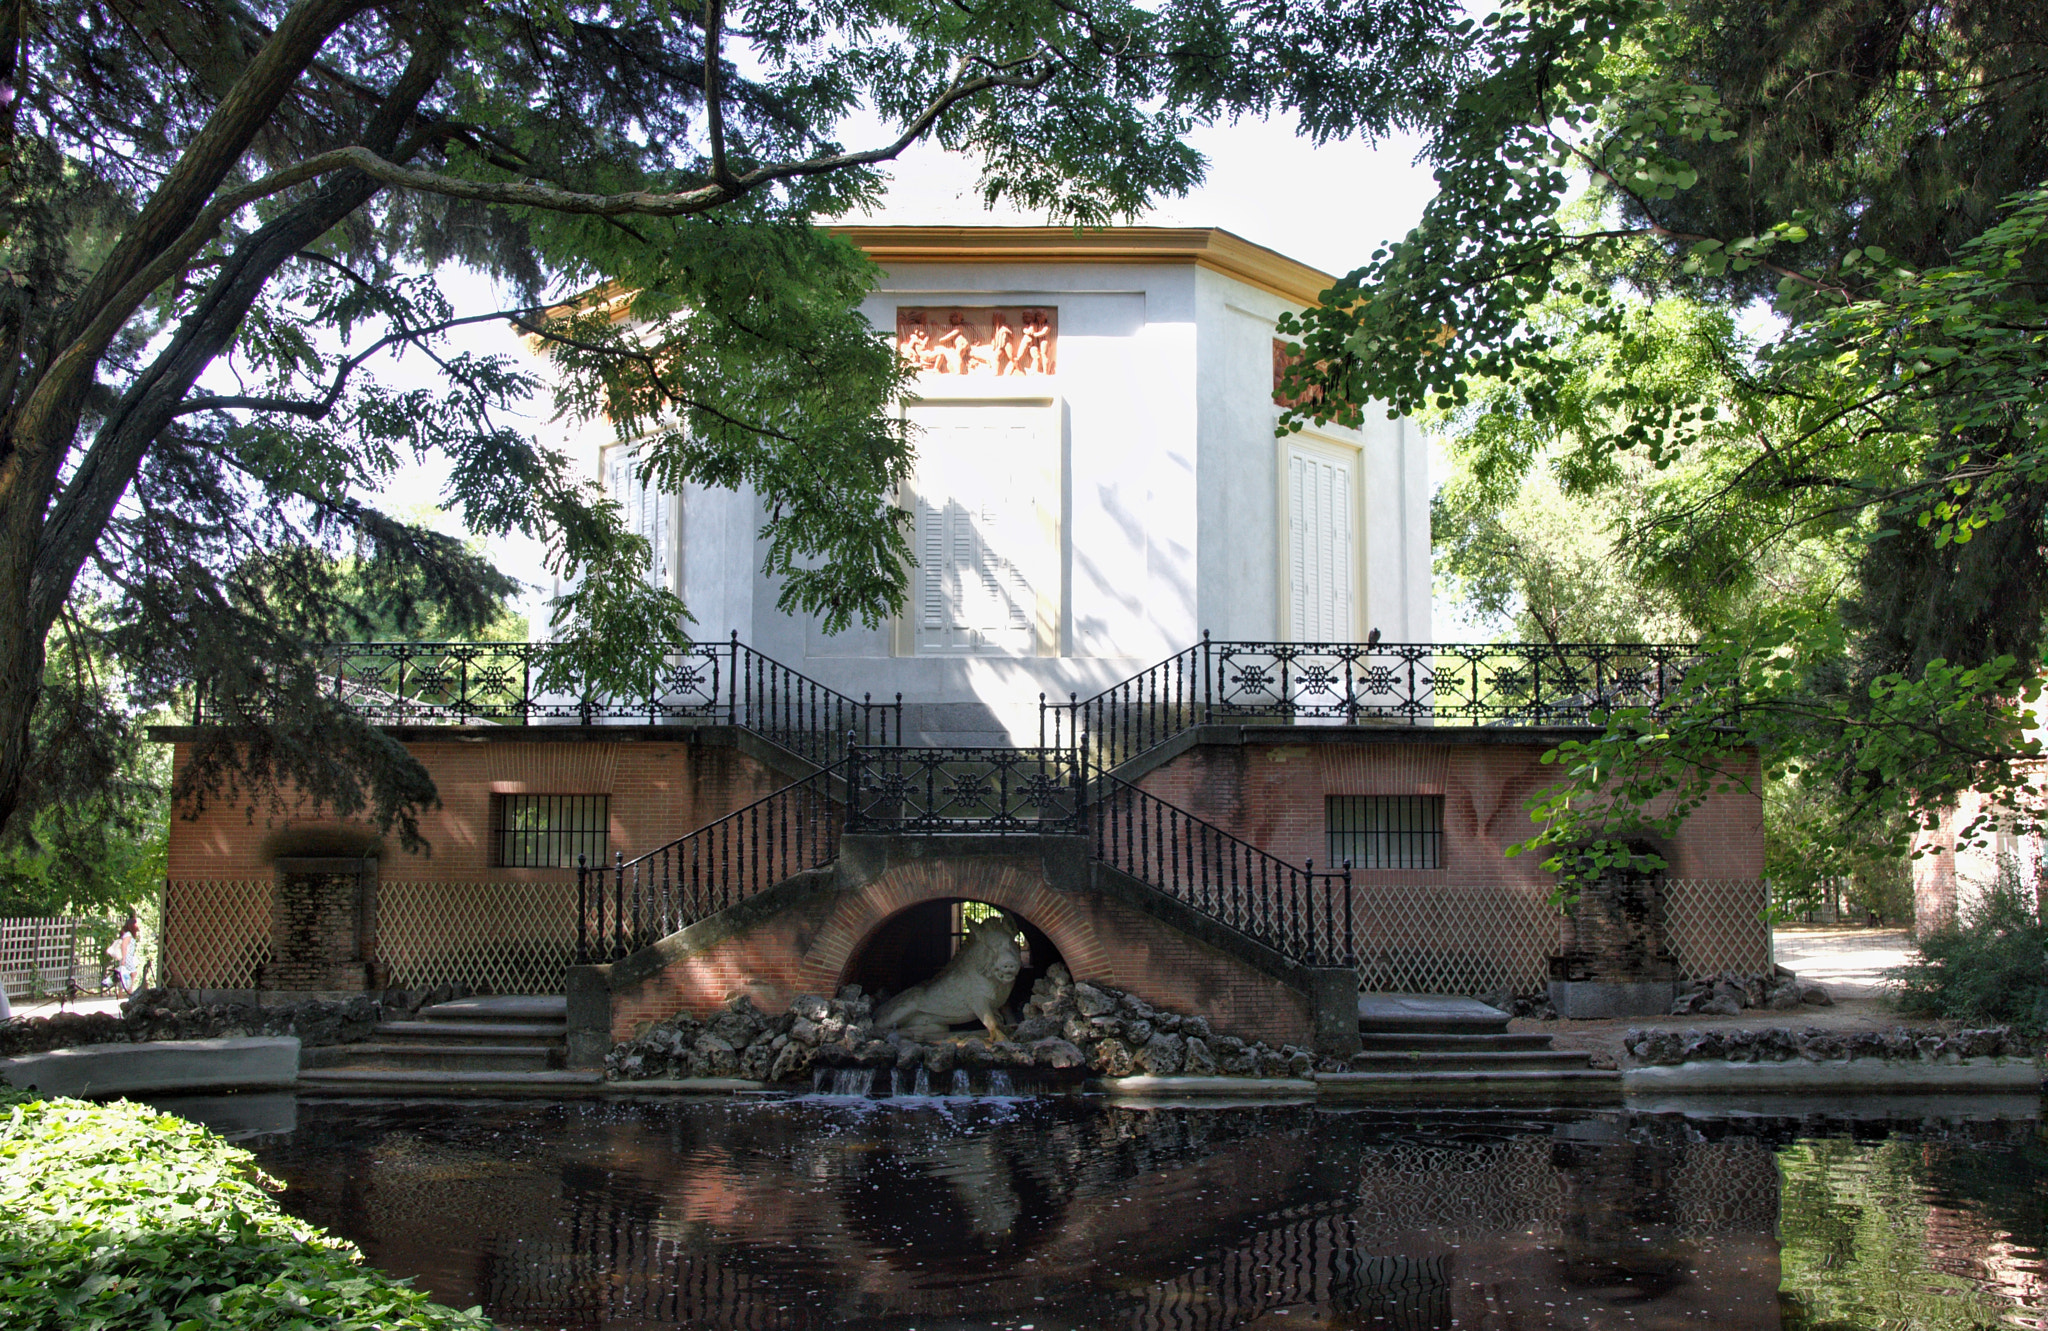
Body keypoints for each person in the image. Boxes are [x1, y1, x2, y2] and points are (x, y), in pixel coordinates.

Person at [105, 912, 141, 996]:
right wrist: (124, 958)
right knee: (133, 973)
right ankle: (129, 990)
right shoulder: (128, 935)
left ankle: (122, 992)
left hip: (128, 957)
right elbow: (124, 946)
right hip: (127, 957)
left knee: (123, 973)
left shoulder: (129, 934)